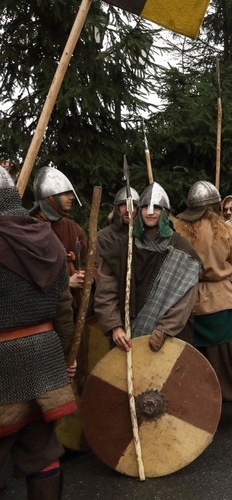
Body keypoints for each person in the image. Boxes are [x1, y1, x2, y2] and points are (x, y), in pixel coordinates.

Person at [0, 168, 77, 498]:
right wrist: (66, 355)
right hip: (44, 355)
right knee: (41, 450)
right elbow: (63, 306)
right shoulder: (48, 237)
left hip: (4, 360)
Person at [174, 181, 232, 425]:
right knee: (231, 358)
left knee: (197, 358)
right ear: (213, 204)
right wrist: (219, 268)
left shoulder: (178, 229)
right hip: (220, 299)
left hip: (188, 301)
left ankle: (201, 413)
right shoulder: (223, 229)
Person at [95, 182, 201, 353]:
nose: (150, 212)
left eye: (156, 208)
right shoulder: (122, 249)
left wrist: (164, 330)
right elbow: (105, 293)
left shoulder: (181, 250)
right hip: (127, 338)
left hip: (171, 339)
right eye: (145, 208)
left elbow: (186, 299)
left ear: (165, 212)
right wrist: (114, 326)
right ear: (138, 211)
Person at [29, 167, 88, 304]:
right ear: (50, 198)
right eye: (65, 193)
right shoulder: (29, 229)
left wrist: (85, 277)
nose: (71, 197)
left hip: (73, 309)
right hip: (43, 309)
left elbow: (91, 263)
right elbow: (31, 275)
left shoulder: (73, 228)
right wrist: (66, 282)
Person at [97, 186, 139, 261]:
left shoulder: (143, 237)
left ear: (138, 210)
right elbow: (99, 268)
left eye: (133, 206)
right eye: (123, 205)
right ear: (117, 209)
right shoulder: (103, 237)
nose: (128, 210)